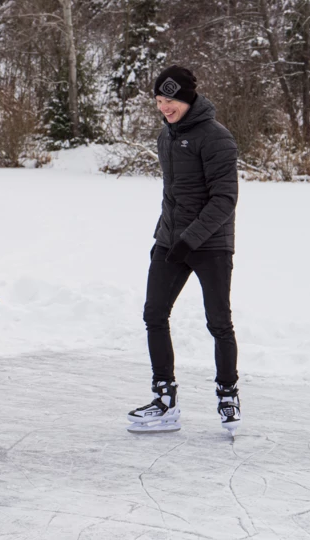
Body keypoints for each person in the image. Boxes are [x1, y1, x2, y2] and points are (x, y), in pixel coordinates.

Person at [127, 65, 241, 436]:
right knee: (154, 313)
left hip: (210, 245)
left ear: (188, 98)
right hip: (170, 242)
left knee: (218, 322)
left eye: (170, 100)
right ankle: (164, 398)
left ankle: (228, 394)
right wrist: (165, 236)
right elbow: (172, 195)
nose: (164, 108)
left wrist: (190, 239)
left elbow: (225, 199)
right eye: (159, 101)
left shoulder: (216, 137)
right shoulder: (167, 136)